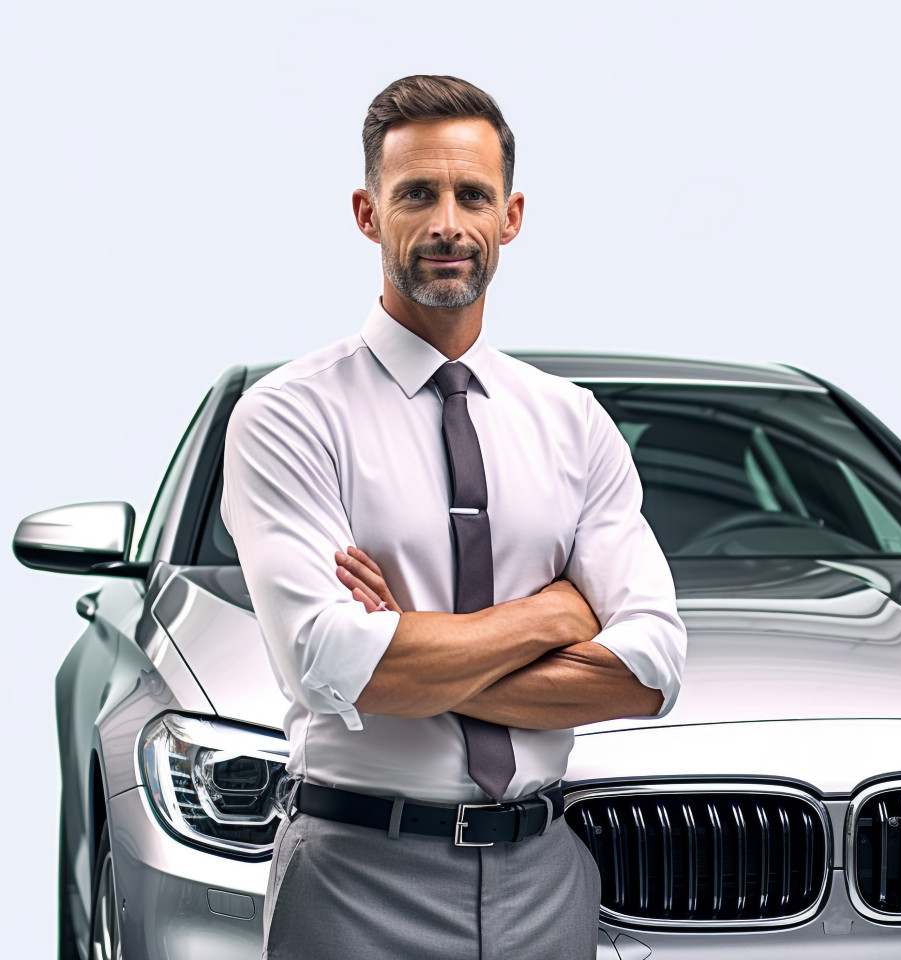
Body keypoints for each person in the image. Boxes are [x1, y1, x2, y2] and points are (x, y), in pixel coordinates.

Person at [221, 74, 686, 960]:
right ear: (367, 213)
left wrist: (409, 648)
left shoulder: (573, 421)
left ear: (510, 217)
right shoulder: (288, 415)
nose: (446, 224)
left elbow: (653, 667)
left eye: (472, 194)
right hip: (358, 877)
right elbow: (329, 663)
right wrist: (554, 615)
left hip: (546, 876)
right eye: (416, 195)